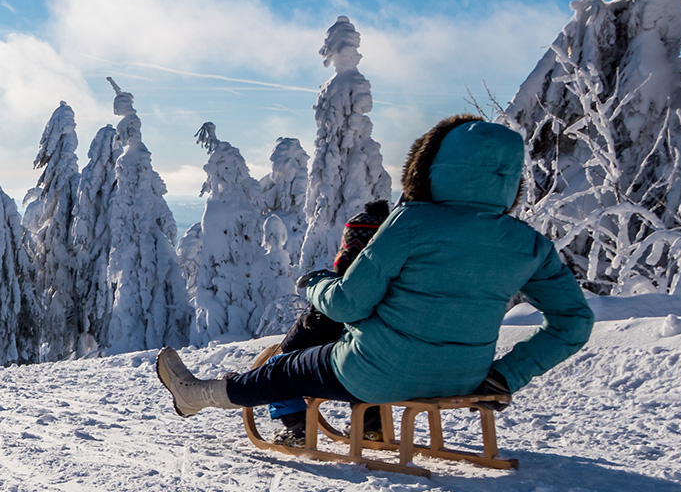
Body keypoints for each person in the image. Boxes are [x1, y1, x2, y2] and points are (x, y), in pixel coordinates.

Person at [154, 116, 594, 430]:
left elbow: (349, 302)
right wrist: (508, 374)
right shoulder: (526, 242)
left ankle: (195, 397)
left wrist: (316, 284)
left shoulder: (412, 222)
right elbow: (574, 321)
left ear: (429, 167)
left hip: (373, 375)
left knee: (283, 369)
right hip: (466, 378)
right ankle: (369, 428)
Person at [261, 199, 392, 446]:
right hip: (390, 370)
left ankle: (296, 427)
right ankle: (371, 425)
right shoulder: (397, 289)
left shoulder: (343, 292)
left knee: (278, 366)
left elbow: (298, 341)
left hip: (351, 372)